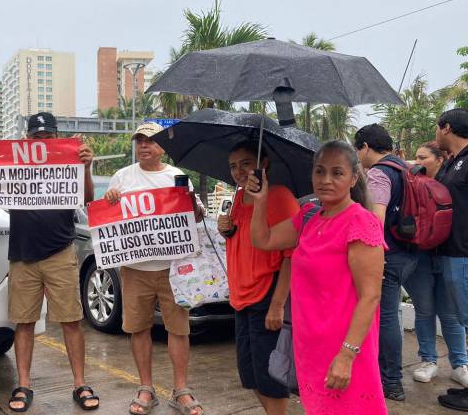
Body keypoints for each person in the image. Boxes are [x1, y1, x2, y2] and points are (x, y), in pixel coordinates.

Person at [0, 112, 100, 412]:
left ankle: (80, 382)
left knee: (71, 321)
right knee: (23, 323)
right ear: (27, 138)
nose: (42, 140)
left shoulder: (71, 159)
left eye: (47, 136)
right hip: (22, 254)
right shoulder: (14, 162)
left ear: (56, 137)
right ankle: (23, 384)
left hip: (61, 251)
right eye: (36, 136)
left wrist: (86, 167)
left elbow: (87, 197)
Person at [250, 140, 387, 414]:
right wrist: (260, 201)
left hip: (345, 343)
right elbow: (263, 240)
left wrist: (347, 355)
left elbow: (370, 295)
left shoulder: (361, 222)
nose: (326, 180)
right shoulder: (309, 216)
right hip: (309, 342)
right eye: (319, 171)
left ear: (353, 178)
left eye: (337, 173)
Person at [103, 122, 206, 415]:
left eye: (150, 140)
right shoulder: (122, 177)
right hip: (135, 268)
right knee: (138, 328)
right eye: (140, 140)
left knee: (178, 329)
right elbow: (109, 220)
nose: (144, 145)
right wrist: (110, 201)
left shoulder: (177, 177)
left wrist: (192, 206)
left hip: (173, 268)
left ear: (162, 146)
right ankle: (145, 387)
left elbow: (196, 216)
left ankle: (181, 389)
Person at [216, 140, 298, 415]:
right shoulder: (239, 198)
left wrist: (278, 304)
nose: (239, 171)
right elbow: (248, 240)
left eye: (246, 163)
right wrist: (226, 229)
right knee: (250, 373)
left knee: (271, 375)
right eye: (233, 166)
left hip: (267, 293)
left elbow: (291, 254)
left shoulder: (280, 196)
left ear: (263, 164)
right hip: (241, 296)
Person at [355, 123, 418, 401]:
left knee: (387, 318)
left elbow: (375, 221)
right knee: (392, 315)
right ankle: (389, 376)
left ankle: (391, 381)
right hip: (411, 251)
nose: (358, 156)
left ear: (366, 147)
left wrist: (374, 261)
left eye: (358, 150)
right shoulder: (405, 167)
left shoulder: (380, 173)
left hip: (388, 255)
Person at [403, 142, 468, 387]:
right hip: (420, 255)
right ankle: (428, 360)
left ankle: (460, 363)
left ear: (440, 159)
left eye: (423, 157)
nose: (417, 161)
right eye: (416, 157)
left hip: (450, 255)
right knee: (425, 310)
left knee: (450, 313)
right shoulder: (410, 182)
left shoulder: (452, 180)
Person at [433, 108, 468, 411]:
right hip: (451, 252)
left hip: (464, 254)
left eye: (436, 128)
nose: (435, 133)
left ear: (446, 128)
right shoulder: (453, 163)